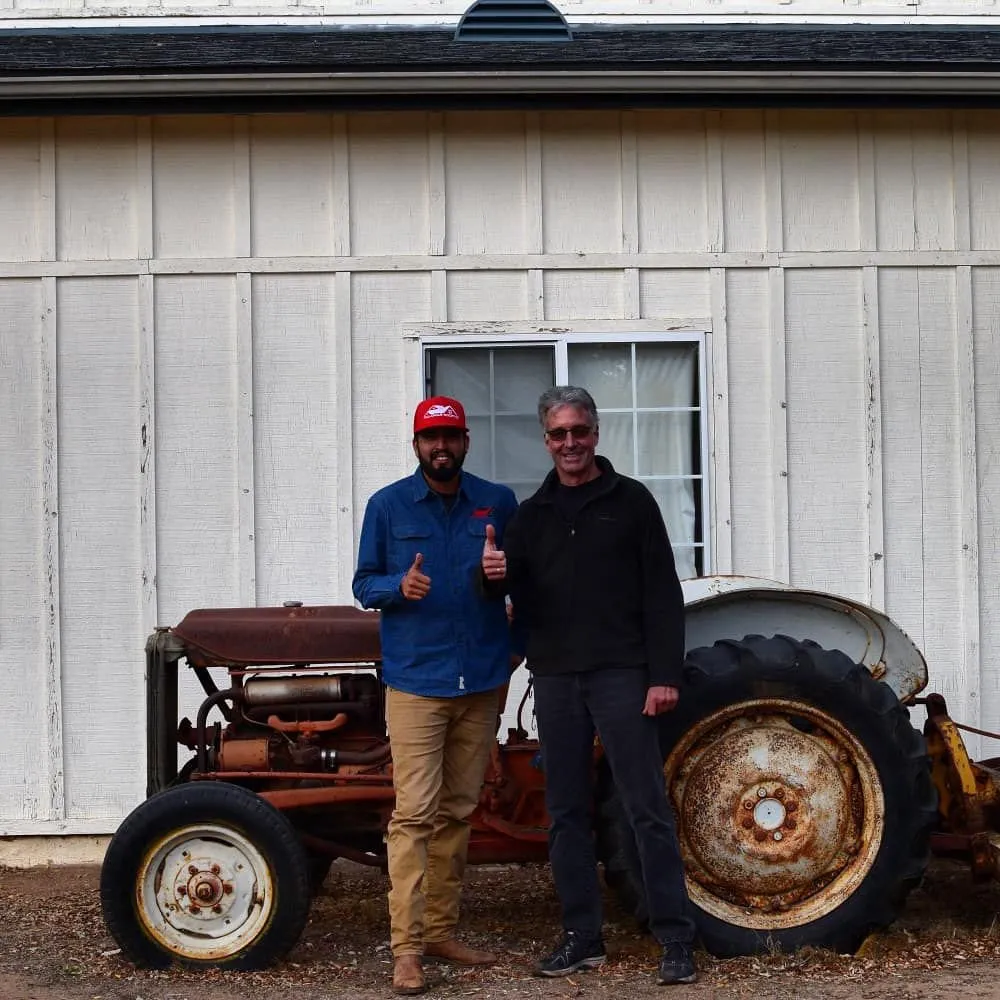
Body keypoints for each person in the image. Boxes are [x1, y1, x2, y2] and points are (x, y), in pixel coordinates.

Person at [483, 385, 697, 986]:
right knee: (567, 813)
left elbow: (663, 593)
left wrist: (663, 675)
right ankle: (583, 937)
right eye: (558, 433)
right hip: (554, 677)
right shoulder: (532, 516)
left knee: (645, 809)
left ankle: (675, 938)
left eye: (579, 431)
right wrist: (491, 577)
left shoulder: (631, 502)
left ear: (596, 434)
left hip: (623, 676)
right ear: (546, 440)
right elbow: (509, 595)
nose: (570, 443)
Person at [353, 396, 519, 996]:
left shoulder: (497, 502)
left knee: (457, 812)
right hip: (417, 682)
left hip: (479, 681)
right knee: (415, 815)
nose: (440, 447)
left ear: (466, 441)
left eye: (449, 437)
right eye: (430, 438)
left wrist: (509, 619)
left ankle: (440, 930)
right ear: (417, 443)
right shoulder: (388, 506)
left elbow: (524, 580)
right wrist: (399, 585)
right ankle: (406, 950)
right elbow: (363, 584)